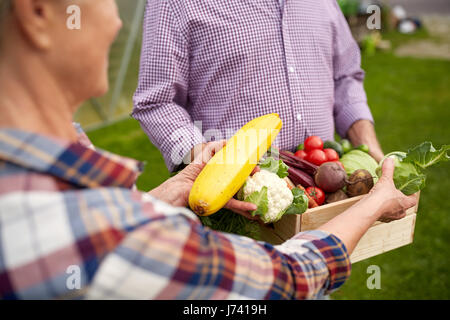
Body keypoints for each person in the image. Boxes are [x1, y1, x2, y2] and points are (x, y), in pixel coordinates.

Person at [0, 0, 417, 300]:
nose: (114, 22)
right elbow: (290, 278)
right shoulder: (111, 236)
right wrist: (376, 201)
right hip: (239, 223)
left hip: (322, 198)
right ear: (36, 12)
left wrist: (159, 197)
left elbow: (347, 74)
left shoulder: (61, 177)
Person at [133, 0, 385, 174]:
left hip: (327, 190)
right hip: (237, 210)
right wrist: (208, 162)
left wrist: (366, 144)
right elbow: (156, 102)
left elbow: (345, 75)